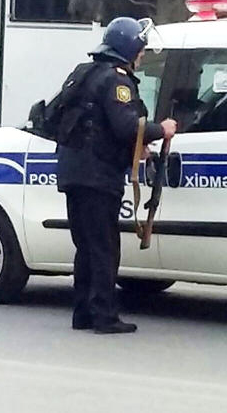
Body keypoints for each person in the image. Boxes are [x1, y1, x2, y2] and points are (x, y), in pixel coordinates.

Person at [56, 17, 178, 333]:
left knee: (86, 245)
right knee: (104, 248)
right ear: (128, 48)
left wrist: (137, 146)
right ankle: (104, 316)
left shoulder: (86, 72)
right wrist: (161, 130)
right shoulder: (117, 81)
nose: (142, 55)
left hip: (74, 172)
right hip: (97, 175)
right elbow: (126, 126)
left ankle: (83, 313)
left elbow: (98, 124)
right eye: (140, 49)